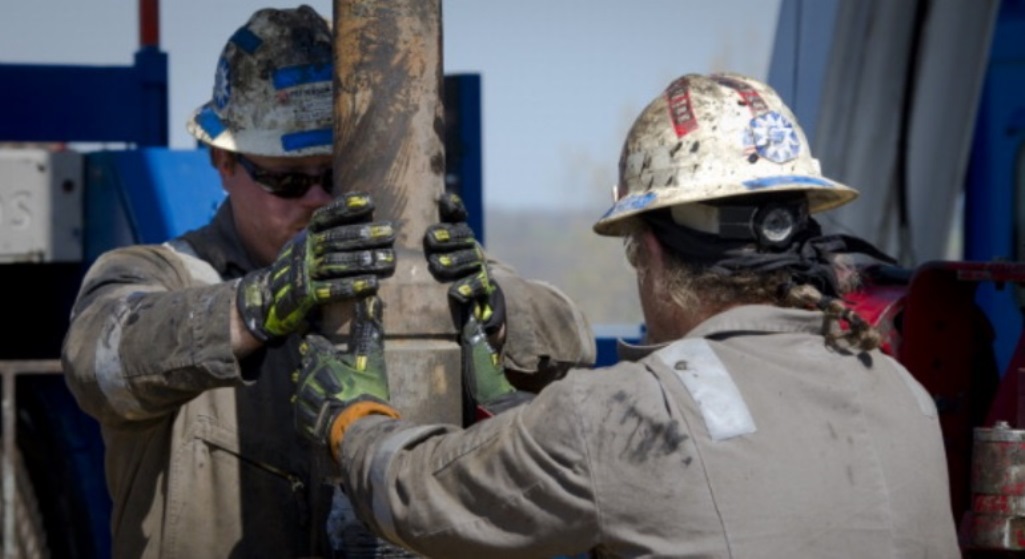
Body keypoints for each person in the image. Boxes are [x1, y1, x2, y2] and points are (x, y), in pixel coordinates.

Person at [294, 72, 962, 558]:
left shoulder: (627, 415)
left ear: (647, 250)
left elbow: (415, 498)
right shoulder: (900, 392)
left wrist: (352, 424)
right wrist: (511, 420)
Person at [60, 6, 594, 558]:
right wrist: (258, 305)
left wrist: (499, 312)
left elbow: (572, 341)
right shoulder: (161, 274)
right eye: (288, 180)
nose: (317, 200)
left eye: (335, 175)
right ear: (224, 161)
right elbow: (97, 363)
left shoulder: (424, 270)